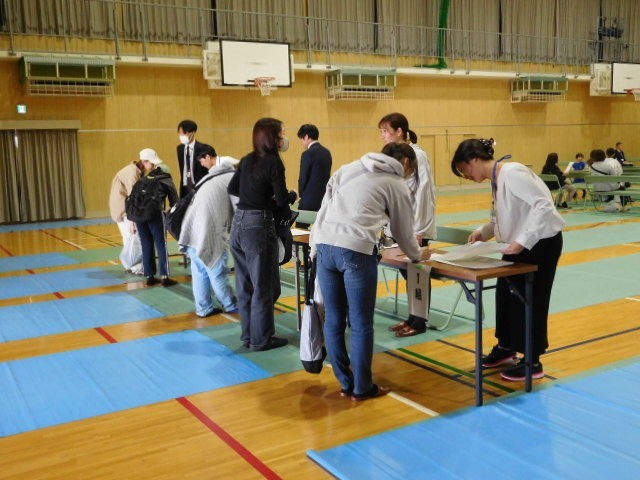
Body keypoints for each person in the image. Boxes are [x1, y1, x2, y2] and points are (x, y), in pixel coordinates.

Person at [311, 142, 430, 401]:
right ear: (405, 162)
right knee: (361, 323)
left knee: (334, 319)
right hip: (355, 250)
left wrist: (314, 247)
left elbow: (324, 207)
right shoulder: (395, 182)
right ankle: (362, 387)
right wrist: (417, 256)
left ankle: (346, 383)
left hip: (324, 247)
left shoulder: (349, 168)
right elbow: (402, 231)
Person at [452, 138, 564, 382]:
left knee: (532, 300)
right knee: (505, 295)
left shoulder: (513, 173)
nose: (466, 176)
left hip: (540, 244)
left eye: (464, 169)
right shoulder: (496, 179)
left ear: (473, 160)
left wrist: (522, 240)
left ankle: (533, 360)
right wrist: (484, 231)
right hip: (516, 245)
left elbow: (544, 206)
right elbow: (502, 217)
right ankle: (506, 346)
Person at [228, 118, 296, 352]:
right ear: (273, 138)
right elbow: (282, 199)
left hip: (238, 223)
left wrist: (256, 195)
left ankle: (249, 335)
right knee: (265, 286)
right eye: (282, 133)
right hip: (258, 225)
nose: (284, 138)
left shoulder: (247, 159)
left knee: (245, 284)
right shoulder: (274, 163)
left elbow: (233, 188)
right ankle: (262, 339)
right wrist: (290, 196)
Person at [378, 112, 436, 337]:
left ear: (399, 131)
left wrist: (419, 230)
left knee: (418, 273)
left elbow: (423, 192)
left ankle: (419, 321)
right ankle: (412, 316)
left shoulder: (417, 155)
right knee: (407, 272)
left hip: (416, 227)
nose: (383, 135)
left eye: (386, 131)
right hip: (401, 225)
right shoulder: (396, 156)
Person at [179, 144, 239, 317]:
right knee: (216, 269)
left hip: (191, 231)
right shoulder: (232, 178)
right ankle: (230, 304)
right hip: (208, 232)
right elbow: (240, 207)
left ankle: (203, 308)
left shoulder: (210, 177)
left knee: (200, 272)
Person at [133, 148, 179, 287]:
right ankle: (165, 277)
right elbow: (174, 200)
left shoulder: (143, 180)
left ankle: (150, 276)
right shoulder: (166, 179)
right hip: (155, 214)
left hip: (139, 217)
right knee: (161, 244)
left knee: (146, 244)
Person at [109, 158, 144, 274]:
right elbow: (133, 197)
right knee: (134, 237)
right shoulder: (132, 173)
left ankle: (129, 264)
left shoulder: (130, 170)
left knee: (128, 238)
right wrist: (134, 220)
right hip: (124, 209)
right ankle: (136, 267)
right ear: (144, 163)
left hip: (118, 208)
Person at [296, 124, 332, 227]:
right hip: (324, 200)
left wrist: (302, 196)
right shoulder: (327, 153)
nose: (301, 142)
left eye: (301, 139)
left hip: (308, 201)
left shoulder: (307, 154)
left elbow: (303, 178)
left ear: (306, 137)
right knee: (321, 230)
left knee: (300, 230)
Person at [177, 119, 209, 197]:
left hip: (199, 186)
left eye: (185, 133)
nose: (182, 136)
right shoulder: (180, 148)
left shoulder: (203, 148)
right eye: (180, 133)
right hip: (185, 186)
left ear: (193, 132)